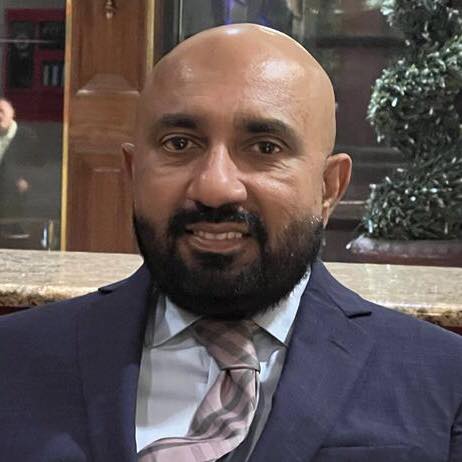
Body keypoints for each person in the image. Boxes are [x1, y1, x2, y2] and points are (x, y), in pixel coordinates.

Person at [0, 24, 461, 462]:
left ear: (328, 188)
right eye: (180, 144)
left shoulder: (443, 381)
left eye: (265, 148)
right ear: (132, 172)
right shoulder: (14, 360)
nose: (215, 188)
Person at [0, 97, 39, 218]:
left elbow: (39, 164)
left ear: (12, 112)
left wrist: (27, 180)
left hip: (18, 200)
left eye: (2, 111)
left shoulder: (27, 136)